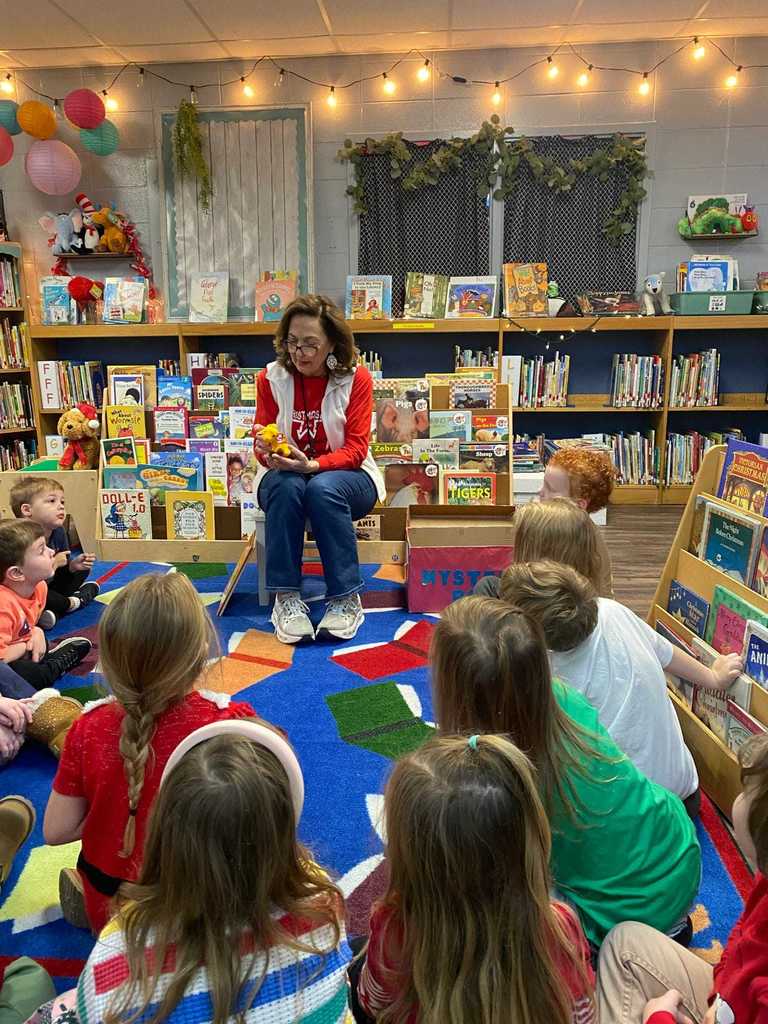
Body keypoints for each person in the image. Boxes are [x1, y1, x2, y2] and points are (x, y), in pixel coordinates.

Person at [35, 721, 351, 1024]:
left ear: (163, 831)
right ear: (284, 831)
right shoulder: (323, 905)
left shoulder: (117, 951)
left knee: (51, 1005)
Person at [431, 597, 701, 949]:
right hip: (678, 852)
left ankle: (629, 947)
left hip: (623, 918)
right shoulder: (564, 696)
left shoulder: (490, 777)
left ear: (456, 693)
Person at [43, 571, 269, 934]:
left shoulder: (87, 727)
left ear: (108, 662)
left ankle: (105, 917)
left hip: (108, 896)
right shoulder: (229, 724)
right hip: (193, 914)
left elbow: (55, 831)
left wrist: (113, 810)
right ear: (201, 652)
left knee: (107, 896)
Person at [353, 734, 596, 1024]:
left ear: (411, 863)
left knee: (355, 957)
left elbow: (370, 1003)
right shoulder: (560, 930)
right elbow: (582, 1017)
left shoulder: (394, 929)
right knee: (627, 939)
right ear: (529, 845)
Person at [500, 560, 744, 815]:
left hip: (629, 818)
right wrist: (713, 677)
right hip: (684, 796)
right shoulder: (612, 610)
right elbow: (666, 653)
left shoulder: (547, 672)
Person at [597, 732, 768, 1024]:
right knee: (623, 941)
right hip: (732, 1003)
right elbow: (744, 933)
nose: (739, 798)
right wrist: (721, 993)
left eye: (747, 791)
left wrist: (659, 1019)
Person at [252, 294, 385, 645]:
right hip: (286, 477)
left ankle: (345, 598)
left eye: (311, 344)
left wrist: (312, 465)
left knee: (321, 488)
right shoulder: (270, 378)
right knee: (287, 486)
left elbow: (355, 450)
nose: (300, 353)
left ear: (333, 344)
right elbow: (261, 437)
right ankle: (286, 598)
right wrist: (267, 452)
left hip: (351, 478)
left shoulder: (356, 379)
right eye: (292, 342)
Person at [475, 463, 614, 600]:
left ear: (579, 504)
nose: (540, 491)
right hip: (562, 594)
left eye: (550, 489)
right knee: (490, 584)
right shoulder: (582, 531)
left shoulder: (569, 537)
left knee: (488, 586)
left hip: (545, 598)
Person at [0, 520, 92, 690]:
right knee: (23, 675)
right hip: (9, 660)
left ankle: (47, 660)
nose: (51, 552)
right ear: (17, 573)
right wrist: (25, 646)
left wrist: (36, 631)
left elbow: (26, 625)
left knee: (38, 646)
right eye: (42, 550)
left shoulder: (40, 587)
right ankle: (54, 666)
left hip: (17, 647)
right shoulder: (3, 606)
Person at [10, 478, 99, 628]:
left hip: (51, 584)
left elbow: (61, 570)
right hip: (28, 590)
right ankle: (75, 602)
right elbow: (26, 583)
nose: (61, 506)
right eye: (52, 501)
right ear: (27, 510)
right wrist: (54, 563)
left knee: (82, 570)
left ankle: (48, 611)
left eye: (62, 502)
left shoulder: (58, 532)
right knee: (43, 592)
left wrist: (72, 566)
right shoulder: (19, 540)